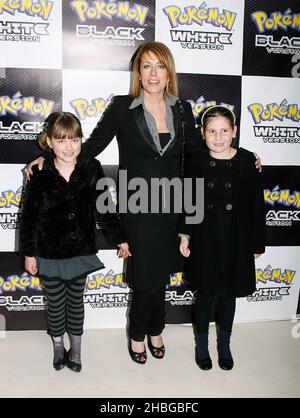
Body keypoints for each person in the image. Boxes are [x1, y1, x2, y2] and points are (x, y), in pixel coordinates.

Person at [26, 42, 261, 365]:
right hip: (139, 205)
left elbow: (198, 150)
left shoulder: (182, 108)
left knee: (162, 274)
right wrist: (46, 158)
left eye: (160, 66)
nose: (153, 73)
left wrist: (246, 156)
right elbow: (91, 146)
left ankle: (155, 329)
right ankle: (139, 333)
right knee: (146, 278)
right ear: (138, 72)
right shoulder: (123, 107)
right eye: (146, 66)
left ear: (169, 73)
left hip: (176, 204)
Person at [20, 111, 130, 372]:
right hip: (48, 252)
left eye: (74, 140)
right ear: (48, 141)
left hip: (80, 250)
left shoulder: (92, 167)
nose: (68, 147)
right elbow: (29, 217)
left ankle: (77, 350)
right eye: (61, 141)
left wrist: (119, 239)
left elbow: (105, 208)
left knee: (76, 302)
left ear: (81, 140)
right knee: (56, 303)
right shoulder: (39, 171)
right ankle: (59, 346)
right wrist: (29, 253)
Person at [178, 105, 266, 371]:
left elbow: (256, 205)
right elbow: (189, 202)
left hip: (236, 239)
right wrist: (185, 235)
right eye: (212, 131)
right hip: (205, 238)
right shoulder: (196, 160)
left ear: (234, 132)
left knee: (228, 296)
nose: (218, 137)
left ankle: (224, 345)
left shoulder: (247, 160)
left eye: (224, 131)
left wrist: (257, 243)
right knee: (204, 295)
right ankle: (202, 345)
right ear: (203, 133)